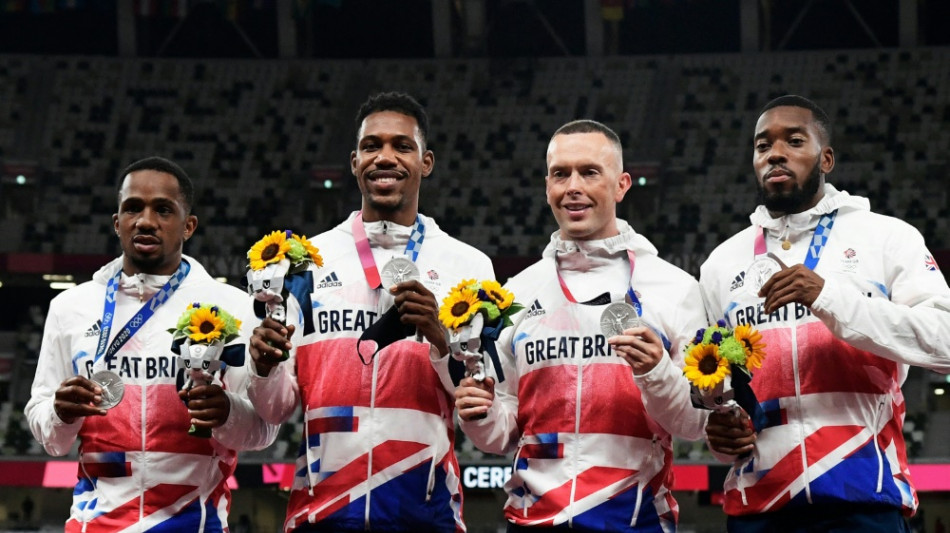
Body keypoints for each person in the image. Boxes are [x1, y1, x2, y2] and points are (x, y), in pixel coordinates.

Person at [247, 92, 495, 533]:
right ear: (354, 161)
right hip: (320, 514)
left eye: (402, 146)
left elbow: (478, 400)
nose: (385, 157)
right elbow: (277, 408)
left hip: (425, 516)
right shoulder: (305, 261)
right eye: (371, 146)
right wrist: (263, 369)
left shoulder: (469, 267)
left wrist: (440, 339)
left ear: (426, 162)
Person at [700, 95, 950, 532]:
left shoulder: (887, 238)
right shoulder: (721, 263)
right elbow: (718, 386)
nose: (775, 153)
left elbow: (944, 341)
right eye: (763, 146)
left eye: (794, 141)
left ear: (826, 158)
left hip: (865, 499)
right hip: (759, 507)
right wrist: (720, 433)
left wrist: (830, 298)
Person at [453, 120, 709, 532]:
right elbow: (503, 436)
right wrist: (479, 414)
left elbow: (696, 425)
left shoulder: (674, 288)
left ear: (622, 185)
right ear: (547, 187)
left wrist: (657, 372)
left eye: (590, 172)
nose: (573, 186)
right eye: (561, 174)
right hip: (532, 521)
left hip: (635, 521)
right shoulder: (516, 294)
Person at [25, 156, 278, 532]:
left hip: (194, 524)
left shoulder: (233, 308)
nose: (145, 221)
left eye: (163, 209)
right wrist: (59, 413)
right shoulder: (70, 307)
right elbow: (49, 435)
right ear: (117, 222)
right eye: (133, 208)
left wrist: (228, 413)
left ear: (188, 225)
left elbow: (263, 430)